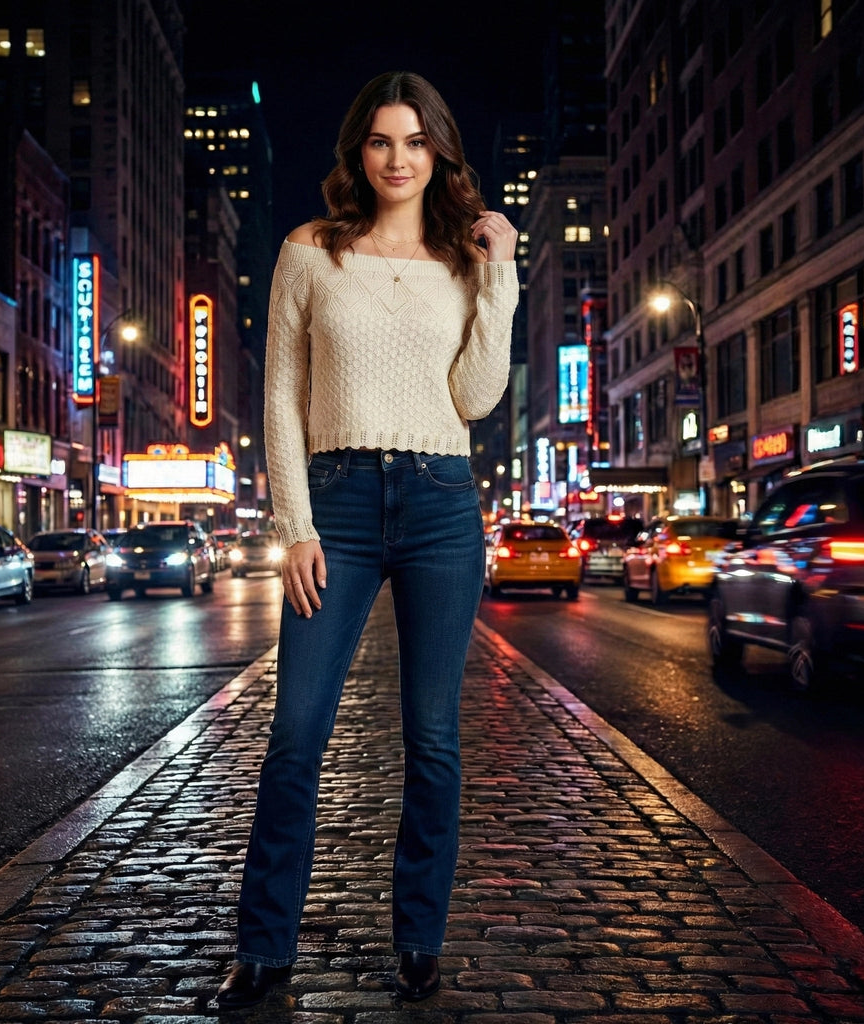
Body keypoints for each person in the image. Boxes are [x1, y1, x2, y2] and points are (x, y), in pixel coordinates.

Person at [217, 70, 519, 1010]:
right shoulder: (310, 251)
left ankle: (419, 940)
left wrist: (502, 271)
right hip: (338, 506)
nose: (398, 159)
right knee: (296, 734)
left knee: (433, 740)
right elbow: (279, 395)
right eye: (382, 141)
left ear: (439, 154)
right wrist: (293, 524)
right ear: (359, 152)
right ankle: (264, 951)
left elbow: (474, 399)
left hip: (438, 504)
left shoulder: (465, 261)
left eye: (416, 142)